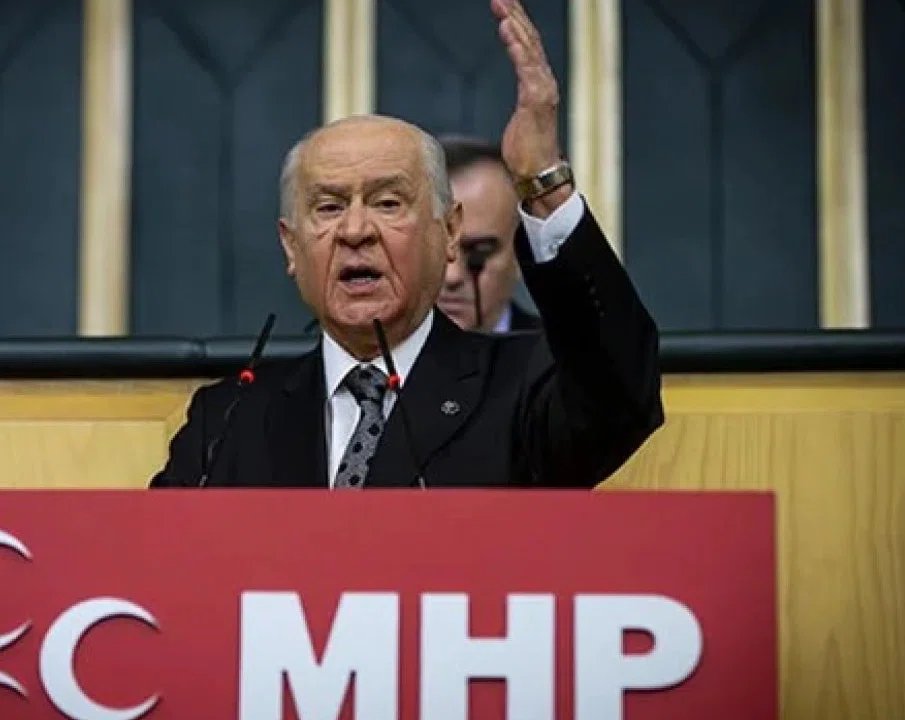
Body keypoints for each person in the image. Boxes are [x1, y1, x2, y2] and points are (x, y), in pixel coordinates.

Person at [150, 0, 662, 490]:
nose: (355, 230)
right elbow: (162, 545)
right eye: (329, 207)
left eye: (387, 203)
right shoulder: (227, 419)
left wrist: (543, 182)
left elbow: (621, 399)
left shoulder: (521, 386)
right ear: (290, 246)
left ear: (450, 233)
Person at [436, 135, 542, 332]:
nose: (452, 276)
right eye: (434, 251)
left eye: (479, 251)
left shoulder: (567, 351)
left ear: (522, 253)